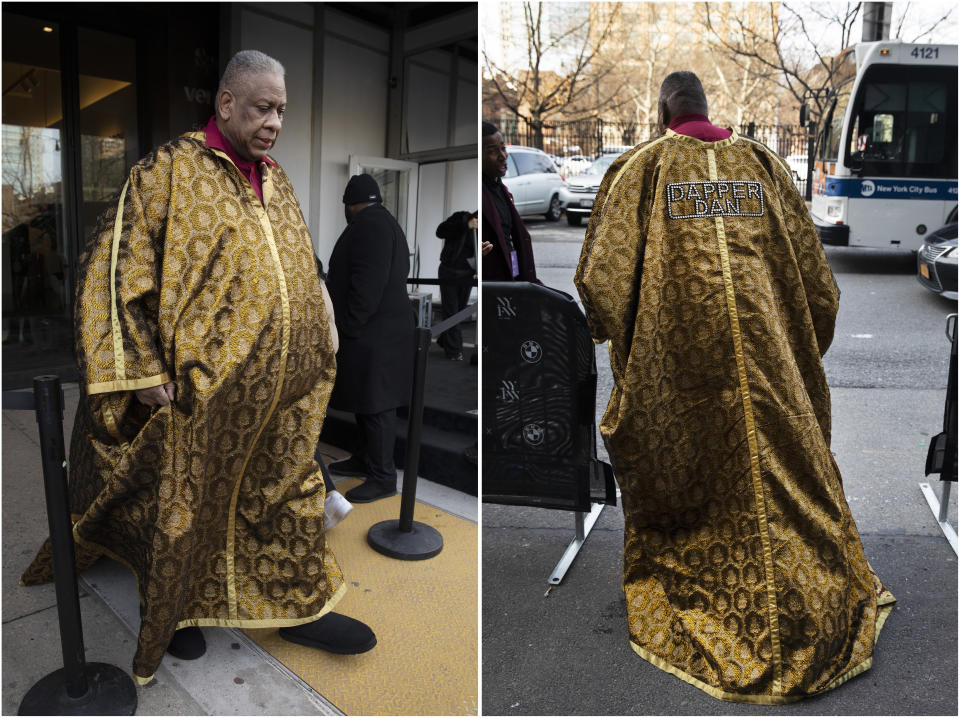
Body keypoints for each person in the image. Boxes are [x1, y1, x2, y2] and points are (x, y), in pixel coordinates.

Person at [20, 50, 376, 685]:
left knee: (285, 493)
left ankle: (297, 604)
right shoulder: (167, 171)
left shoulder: (278, 178)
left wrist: (321, 321)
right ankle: (178, 614)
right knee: (185, 506)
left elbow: (301, 262)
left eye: (283, 111)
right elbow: (111, 269)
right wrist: (138, 363)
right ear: (226, 103)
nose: (275, 122)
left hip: (283, 392)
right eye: (263, 107)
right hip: (199, 391)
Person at [574, 71, 894, 703]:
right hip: (772, 378)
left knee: (691, 483)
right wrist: (796, 353)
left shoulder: (641, 169)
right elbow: (817, 284)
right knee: (788, 484)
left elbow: (601, 286)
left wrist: (628, 345)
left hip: (679, 382)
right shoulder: (765, 166)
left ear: (665, 109)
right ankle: (813, 592)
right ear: (707, 105)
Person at [325, 174, 414, 503]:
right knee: (368, 401)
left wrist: (347, 326)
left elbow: (367, 284)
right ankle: (365, 459)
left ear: (350, 204)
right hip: (379, 332)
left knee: (377, 406)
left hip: (374, 334)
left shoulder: (369, 225)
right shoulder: (384, 221)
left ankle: (383, 476)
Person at [481, 121, 539, 282]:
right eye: (492, 151)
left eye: (503, 148)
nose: (502, 156)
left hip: (513, 274)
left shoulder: (502, 190)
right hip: (494, 284)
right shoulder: (481, 192)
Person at [435, 210, 477, 360]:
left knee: (458, 310)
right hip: (449, 271)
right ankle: (454, 351)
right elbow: (440, 232)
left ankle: (445, 339)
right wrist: (464, 225)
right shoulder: (460, 217)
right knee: (452, 311)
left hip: (467, 274)